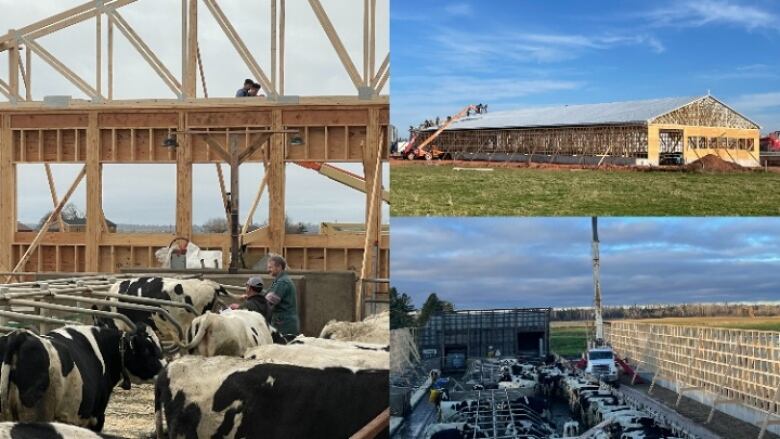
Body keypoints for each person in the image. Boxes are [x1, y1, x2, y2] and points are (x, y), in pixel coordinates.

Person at [265, 254, 300, 337]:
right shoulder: (280, 281)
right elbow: (267, 294)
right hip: (283, 322)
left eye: (270, 267)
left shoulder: (282, 282)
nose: (268, 270)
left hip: (284, 324)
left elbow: (269, 302)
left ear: (279, 267)